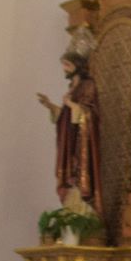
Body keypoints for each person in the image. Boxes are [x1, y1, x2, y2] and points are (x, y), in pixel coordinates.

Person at [36, 26, 104, 223]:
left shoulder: (88, 85)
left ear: (77, 65)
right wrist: (51, 106)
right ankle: (71, 211)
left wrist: (71, 105)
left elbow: (89, 114)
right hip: (69, 142)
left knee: (78, 176)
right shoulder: (71, 88)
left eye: (67, 65)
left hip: (82, 145)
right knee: (68, 178)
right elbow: (65, 119)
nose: (64, 69)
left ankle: (83, 211)